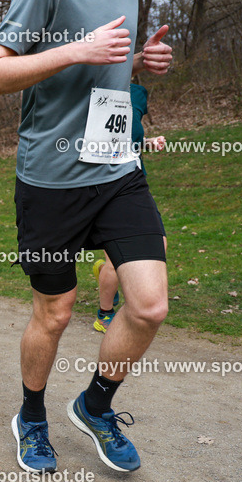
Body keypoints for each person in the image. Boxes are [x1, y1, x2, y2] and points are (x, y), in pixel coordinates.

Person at [0, 0, 173, 474]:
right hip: (51, 181)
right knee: (55, 312)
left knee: (150, 306)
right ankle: (31, 417)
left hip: (117, 169)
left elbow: (100, 70)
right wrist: (76, 50)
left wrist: (135, 63)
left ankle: (94, 405)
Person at [92, 82, 166, 333]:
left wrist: (148, 142)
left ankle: (107, 278)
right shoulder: (92, 87)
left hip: (134, 181)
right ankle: (105, 314)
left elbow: (128, 135)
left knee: (160, 243)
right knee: (114, 259)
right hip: (100, 182)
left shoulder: (137, 93)